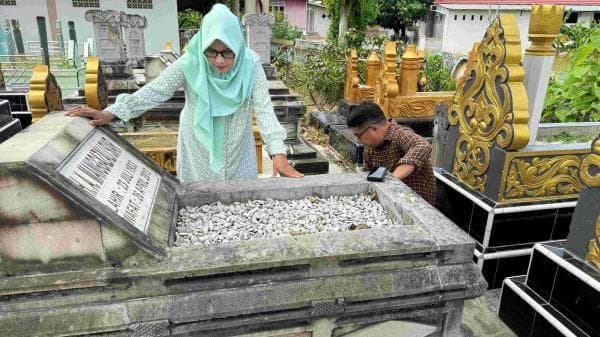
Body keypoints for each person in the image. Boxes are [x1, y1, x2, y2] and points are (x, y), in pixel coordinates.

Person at [66, 4, 303, 184]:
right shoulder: (191, 62)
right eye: (212, 52)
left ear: (238, 46)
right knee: (200, 205)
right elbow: (155, 91)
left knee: (240, 205)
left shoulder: (251, 64)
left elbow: (264, 109)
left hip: (238, 148)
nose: (218, 60)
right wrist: (113, 113)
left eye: (227, 53)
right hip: (198, 145)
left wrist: (278, 152)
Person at [347, 101, 436, 205]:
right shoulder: (369, 149)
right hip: (389, 202)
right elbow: (367, 176)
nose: (358, 141)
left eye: (358, 135)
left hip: (417, 204)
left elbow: (422, 145)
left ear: (374, 129)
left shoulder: (399, 134)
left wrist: (392, 178)